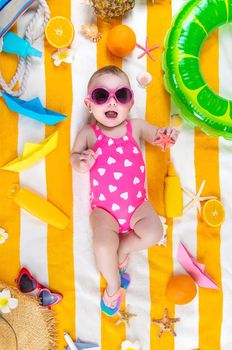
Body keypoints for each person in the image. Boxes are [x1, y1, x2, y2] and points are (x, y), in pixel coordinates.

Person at [70, 65, 179, 316]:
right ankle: (114, 285)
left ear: (130, 103)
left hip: (137, 205)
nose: (111, 102)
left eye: (121, 96)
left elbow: (156, 136)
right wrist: (81, 162)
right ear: (89, 104)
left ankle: (125, 248)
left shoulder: (136, 127)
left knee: (154, 232)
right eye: (101, 96)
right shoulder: (89, 133)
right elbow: (74, 159)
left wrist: (167, 135)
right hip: (104, 211)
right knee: (102, 244)